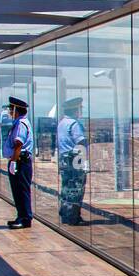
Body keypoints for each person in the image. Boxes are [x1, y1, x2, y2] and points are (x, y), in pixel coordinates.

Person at [56, 96, 87, 225]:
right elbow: (80, 142)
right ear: (76, 110)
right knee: (76, 188)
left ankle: (65, 214)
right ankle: (73, 217)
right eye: (80, 109)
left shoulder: (62, 123)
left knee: (65, 187)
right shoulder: (74, 124)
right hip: (74, 159)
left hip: (64, 159)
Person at [4, 96, 33, 229]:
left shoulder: (21, 124)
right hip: (19, 160)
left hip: (21, 161)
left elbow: (18, 144)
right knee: (17, 190)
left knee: (22, 190)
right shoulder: (19, 122)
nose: (10, 111)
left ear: (16, 109)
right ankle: (21, 216)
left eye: (11, 109)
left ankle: (25, 218)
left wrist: (14, 161)